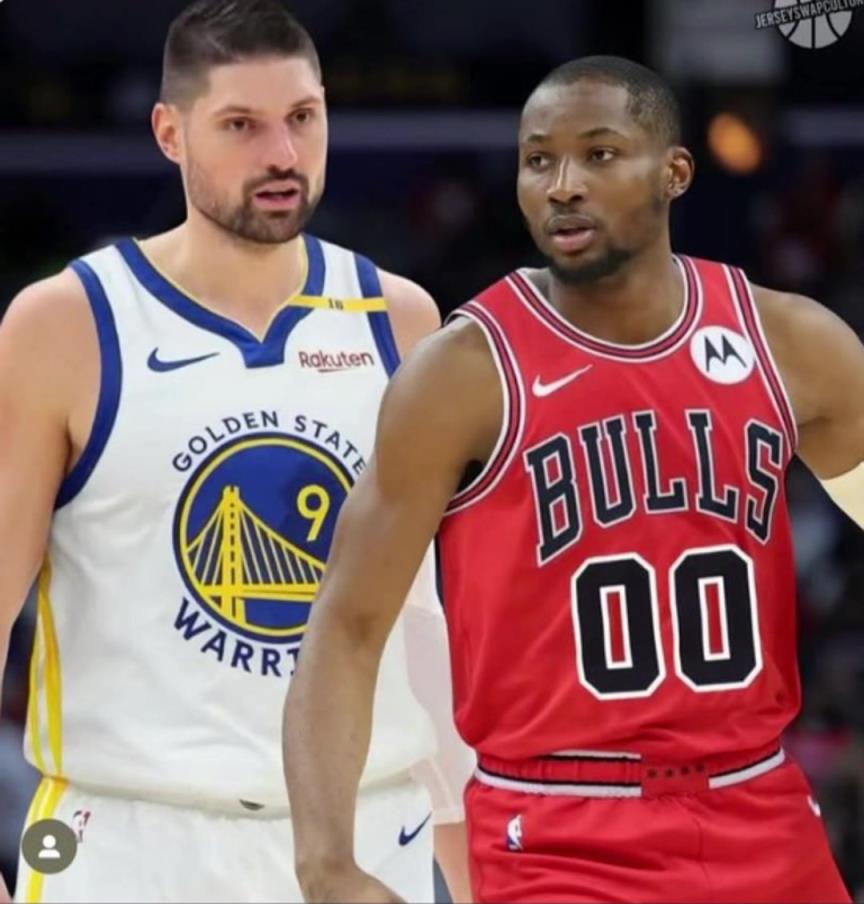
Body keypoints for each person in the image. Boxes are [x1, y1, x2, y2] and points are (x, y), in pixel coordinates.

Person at [282, 56, 864, 903]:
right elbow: (347, 624)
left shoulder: (789, 341)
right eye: (538, 160)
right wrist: (325, 862)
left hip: (760, 806)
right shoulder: (464, 373)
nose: (562, 186)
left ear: (674, 172)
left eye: (599, 154)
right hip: (559, 829)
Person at [0, 1, 474, 901]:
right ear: (169, 133)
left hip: (368, 834)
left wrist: (473, 868)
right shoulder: (66, 325)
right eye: (241, 125)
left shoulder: (401, 320)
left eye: (302, 117)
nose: (283, 154)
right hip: (124, 839)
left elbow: (423, 628)